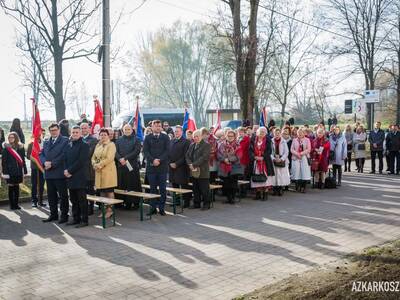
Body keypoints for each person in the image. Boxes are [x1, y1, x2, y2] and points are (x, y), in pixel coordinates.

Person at [40, 123, 69, 223]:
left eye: (55, 130)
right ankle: (53, 215)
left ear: (59, 130)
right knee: (51, 196)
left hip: (59, 172)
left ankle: (64, 215)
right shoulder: (46, 141)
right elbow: (41, 153)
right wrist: (44, 162)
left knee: (63, 196)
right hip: (48, 173)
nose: (53, 132)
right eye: (51, 130)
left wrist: (52, 163)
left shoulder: (65, 140)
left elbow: (64, 154)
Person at [64, 126, 90, 227]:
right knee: (73, 200)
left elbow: (81, 161)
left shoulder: (84, 145)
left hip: (79, 176)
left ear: (80, 133)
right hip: (70, 176)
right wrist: (66, 170)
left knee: (82, 200)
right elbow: (65, 159)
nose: (74, 134)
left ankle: (84, 220)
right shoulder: (69, 145)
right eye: (73, 132)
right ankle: (76, 218)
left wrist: (70, 171)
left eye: (77, 132)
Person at [143, 120, 170, 215]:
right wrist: (153, 160)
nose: (158, 127)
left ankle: (161, 208)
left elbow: (167, 151)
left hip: (162, 167)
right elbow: (145, 151)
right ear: (152, 127)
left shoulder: (166, 137)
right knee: (153, 189)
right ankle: (153, 208)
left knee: (163, 189)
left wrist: (159, 160)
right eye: (156, 126)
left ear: (161, 127)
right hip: (151, 168)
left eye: (159, 126)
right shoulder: (147, 137)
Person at [115, 124, 142, 210]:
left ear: (132, 130)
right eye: (125, 129)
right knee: (122, 184)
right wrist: (120, 159)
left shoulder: (136, 139)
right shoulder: (118, 140)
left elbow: (136, 151)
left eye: (128, 129)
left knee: (133, 184)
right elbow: (115, 152)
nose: (127, 131)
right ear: (123, 130)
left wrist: (125, 158)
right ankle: (124, 202)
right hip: (121, 165)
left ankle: (135, 203)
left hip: (132, 165)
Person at [186, 129, 211, 209]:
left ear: (201, 136)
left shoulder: (206, 145)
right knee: (195, 188)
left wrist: (194, 164)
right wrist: (190, 164)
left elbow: (204, 157)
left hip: (202, 171)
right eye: (194, 137)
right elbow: (187, 156)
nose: (196, 138)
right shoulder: (192, 145)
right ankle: (196, 203)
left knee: (204, 189)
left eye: (197, 136)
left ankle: (206, 204)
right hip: (193, 171)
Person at [1, 132, 27, 210]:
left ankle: (16, 204)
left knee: (16, 187)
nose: (10, 139)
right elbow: (4, 162)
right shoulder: (6, 149)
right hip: (10, 171)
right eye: (9, 137)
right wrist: (5, 173)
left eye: (12, 137)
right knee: (11, 188)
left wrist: (25, 170)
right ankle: (12, 205)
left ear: (16, 138)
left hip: (18, 171)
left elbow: (23, 160)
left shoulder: (20, 147)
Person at [217, 130, 243, 204]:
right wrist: (224, 159)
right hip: (224, 166)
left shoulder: (237, 145)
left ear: (234, 136)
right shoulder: (222, 144)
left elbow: (239, 155)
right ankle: (228, 198)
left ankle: (232, 198)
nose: (230, 137)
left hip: (234, 167)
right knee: (226, 184)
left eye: (232, 136)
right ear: (226, 136)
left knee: (233, 184)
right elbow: (218, 154)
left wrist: (229, 160)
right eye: (229, 136)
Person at [169, 125, 192, 208]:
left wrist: (176, 164)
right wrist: (170, 163)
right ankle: (177, 201)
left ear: (182, 132)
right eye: (175, 131)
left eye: (178, 131)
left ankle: (186, 202)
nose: (176, 133)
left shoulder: (186, 142)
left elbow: (186, 155)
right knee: (174, 185)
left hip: (182, 168)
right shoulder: (171, 141)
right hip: (172, 167)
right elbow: (168, 153)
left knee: (184, 186)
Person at [249, 127, 274, 200]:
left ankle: (265, 194)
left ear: (265, 133)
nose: (261, 133)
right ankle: (258, 193)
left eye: (263, 132)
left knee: (265, 177)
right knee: (256, 176)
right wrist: (254, 157)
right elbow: (250, 150)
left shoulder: (268, 140)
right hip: (256, 161)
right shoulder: (253, 139)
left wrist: (263, 157)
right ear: (257, 132)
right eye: (260, 132)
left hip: (265, 161)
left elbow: (269, 151)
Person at [80, 122, 98, 215]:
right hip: (79, 170)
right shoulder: (77, 138)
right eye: (82, 128)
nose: (83, 130)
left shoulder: (93, 140)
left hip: (88, 169)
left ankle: (90, 208)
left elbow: (89, 153)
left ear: (89, 129)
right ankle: (83, 207)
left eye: (85, 128)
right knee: (82, 190)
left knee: (90, 189)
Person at [27, 129, 46, 207]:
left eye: (41, 133)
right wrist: (35, 159)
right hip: (35, 167)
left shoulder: (45, 143)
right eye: (38, 133)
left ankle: (40, 201)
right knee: (34, 184)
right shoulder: (31, 144)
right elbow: (28, 156)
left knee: (41, 185)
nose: (40, 135)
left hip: (42, 167)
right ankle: (34, 201)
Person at [270, 128, 291, 196]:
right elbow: (269, 152)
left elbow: (286, 152)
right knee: (275, 175)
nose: (277, 135)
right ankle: (275, 188)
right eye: (276, 133)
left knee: (281, 175)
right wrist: (273, 158)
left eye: (278, 133)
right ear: (273, 134)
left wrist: (281, 159)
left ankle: (280, 188)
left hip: (282, 160)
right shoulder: (271, 141)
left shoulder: (283, 141)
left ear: (280, 134)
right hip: (274, 160)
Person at [291, 128, 312, 192]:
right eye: (298, 132)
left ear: (304, 133)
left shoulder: (307, 140)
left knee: (304, 172)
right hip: (296, 157)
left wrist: (301, 153)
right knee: (297, 172)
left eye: (301, 132)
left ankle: (303, 187)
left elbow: (309, 149)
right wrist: (297, 154)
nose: (300, 134)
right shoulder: (294, 140)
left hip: (304, 157)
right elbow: (291, 149)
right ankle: (298, 186)